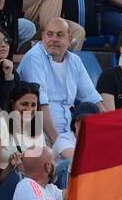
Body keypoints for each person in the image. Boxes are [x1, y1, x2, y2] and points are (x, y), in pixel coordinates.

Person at [16, 19, 105, 162]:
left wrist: (112, 133)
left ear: (70, 40)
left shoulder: (75, 61)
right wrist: (57, 142)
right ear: (43, 37)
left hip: (69, 132)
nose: (53, 40)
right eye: (49, 35)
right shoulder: (34, 58)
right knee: (84, 161)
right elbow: (40, 104)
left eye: (59, 35)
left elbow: (94, 99)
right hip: (41, 134)